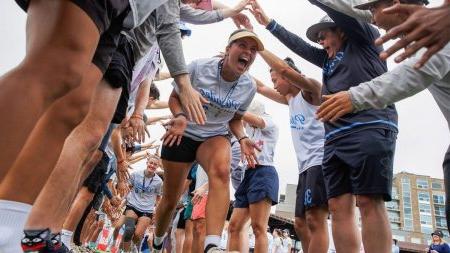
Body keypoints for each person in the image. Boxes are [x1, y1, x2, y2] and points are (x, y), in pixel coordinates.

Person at [251, 1, 399, 252]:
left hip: (369, 126)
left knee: (367, 200)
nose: (320, 41)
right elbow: (300, 46)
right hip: (334, 139)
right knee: (339, 207)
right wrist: (269, 24)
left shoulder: (363, 40)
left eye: (324, 35)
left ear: (342, 29)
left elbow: (340, 9)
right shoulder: (327, 60)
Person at [313, 0, 450, 233]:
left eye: (373, 8)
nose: (371, 16)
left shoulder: (441, 32)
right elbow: (351, 6)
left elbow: (416, 73)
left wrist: (354, 97)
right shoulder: (423, 34)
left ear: (394, 5)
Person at [152, 29, 264, 253]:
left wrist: (242, 137)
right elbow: (174, 99)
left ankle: (212, 245)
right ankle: (157, 240)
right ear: (228, 49)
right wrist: (181, 116)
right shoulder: (199, 68)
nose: (248, 53)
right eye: (242, 46)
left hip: (213, 136)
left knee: (222, 172)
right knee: (171, 200)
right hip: (183, 133)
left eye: (253, 50)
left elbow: (236, 119)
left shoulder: (248, 87)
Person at [253, 48, 328, 253]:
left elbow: (285, 69)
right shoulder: (289, 99)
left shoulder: (311, 91)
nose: (274, 85)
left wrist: (259, 46)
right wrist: (233, 64)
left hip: (320, 161)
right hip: (304, 167)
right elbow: (259, 87)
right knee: (300, 223)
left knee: (315, 219)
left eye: (276, 79)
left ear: (288, 76)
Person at [228, 100, 280, 253]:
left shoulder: (269, 122)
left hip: (264, 172)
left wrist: (231, 107)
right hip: (248, 173)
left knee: (258, 228)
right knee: (234, 226)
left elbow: (256, 120)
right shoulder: (247, 129)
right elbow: (234, 122)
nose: (245, 122)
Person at [374, 1, 450, 68]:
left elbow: (412, 77)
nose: (372, 20)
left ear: (394, 5)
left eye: (373, 11)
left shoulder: (438, 33)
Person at [118, 156, 163, 252]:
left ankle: (132, 247)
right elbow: (128, 188)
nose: (152, 165)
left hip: (147, 210)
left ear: (158, 166)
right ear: (147, 162)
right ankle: (125, 251)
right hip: (132, 205)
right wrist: (121, 200)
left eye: (155, 164)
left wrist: (156, 211)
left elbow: (158, 198)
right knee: (129, 230)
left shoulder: (159, 182)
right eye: (151, 163)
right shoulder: (136, 174)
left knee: (138, 235)